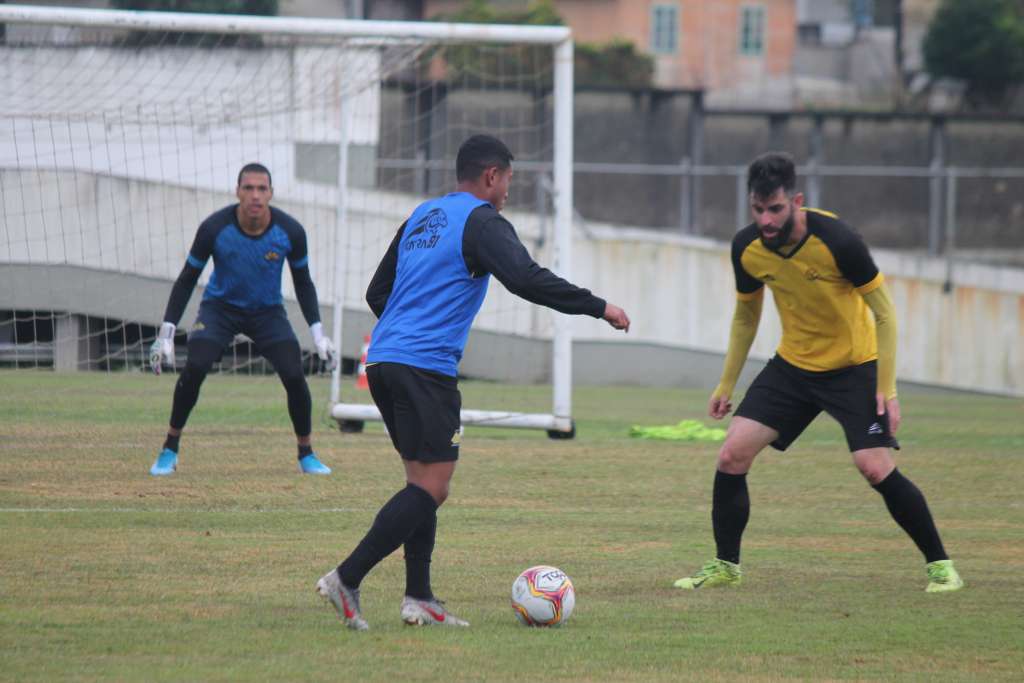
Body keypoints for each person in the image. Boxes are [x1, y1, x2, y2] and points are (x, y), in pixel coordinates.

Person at [316, 134, 631, 630]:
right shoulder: (482, 221)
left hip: (384, 362)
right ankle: (346, 577)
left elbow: (378, 290)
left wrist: (408, 327)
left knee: (422, 483)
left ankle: (419, 597)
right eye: (508, 180)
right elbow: (526, 278)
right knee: (433, 487)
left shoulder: (422, 216)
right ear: (491, 176)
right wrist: (601, 307)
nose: (508, 190)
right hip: (424, 367)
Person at [673, 152, 963, 593]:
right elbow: (746, 317)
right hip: (793, 367)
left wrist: (888, 389)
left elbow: (884, 313)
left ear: (797, 201)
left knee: (873, 466)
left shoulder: (838, 241)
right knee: (732, 454)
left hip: (853, 367)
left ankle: (941, 566)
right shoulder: (747, 248)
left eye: (775, 208)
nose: (766, 220)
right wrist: (726, 383)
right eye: (758, 209)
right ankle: (725, 566)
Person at [148, 163, 337, 476]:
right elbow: (186, 279)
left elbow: (303, 283)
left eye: (262, 189)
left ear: (271, 194)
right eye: (248, 188)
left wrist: (319, 335)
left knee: (293, 373)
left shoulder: (290, 232)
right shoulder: (214, 229)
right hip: (219, 310)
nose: (255, 196)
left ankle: (307, 453)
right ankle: (169, 447)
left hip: (267, 313)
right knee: (195, 366)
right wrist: (165, 334)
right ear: (237, 192)